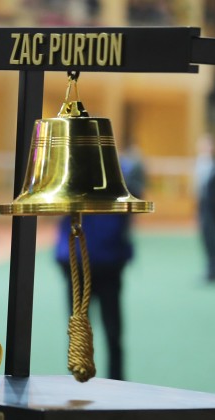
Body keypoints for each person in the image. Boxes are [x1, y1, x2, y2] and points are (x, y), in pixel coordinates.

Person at [53, 144, 146, 381]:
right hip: (102, 262)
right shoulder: (117, 177)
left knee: (91, 332)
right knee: (92, 333)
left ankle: (108, 381)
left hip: (98, 263)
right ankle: (111, 381)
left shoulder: (76, 175)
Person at [194, 133, 215, 283]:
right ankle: (209, 269)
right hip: (203, 206)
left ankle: (214, 271)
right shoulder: (201, 163)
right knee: (206, 238)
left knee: (213, 239)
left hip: (213, 209)